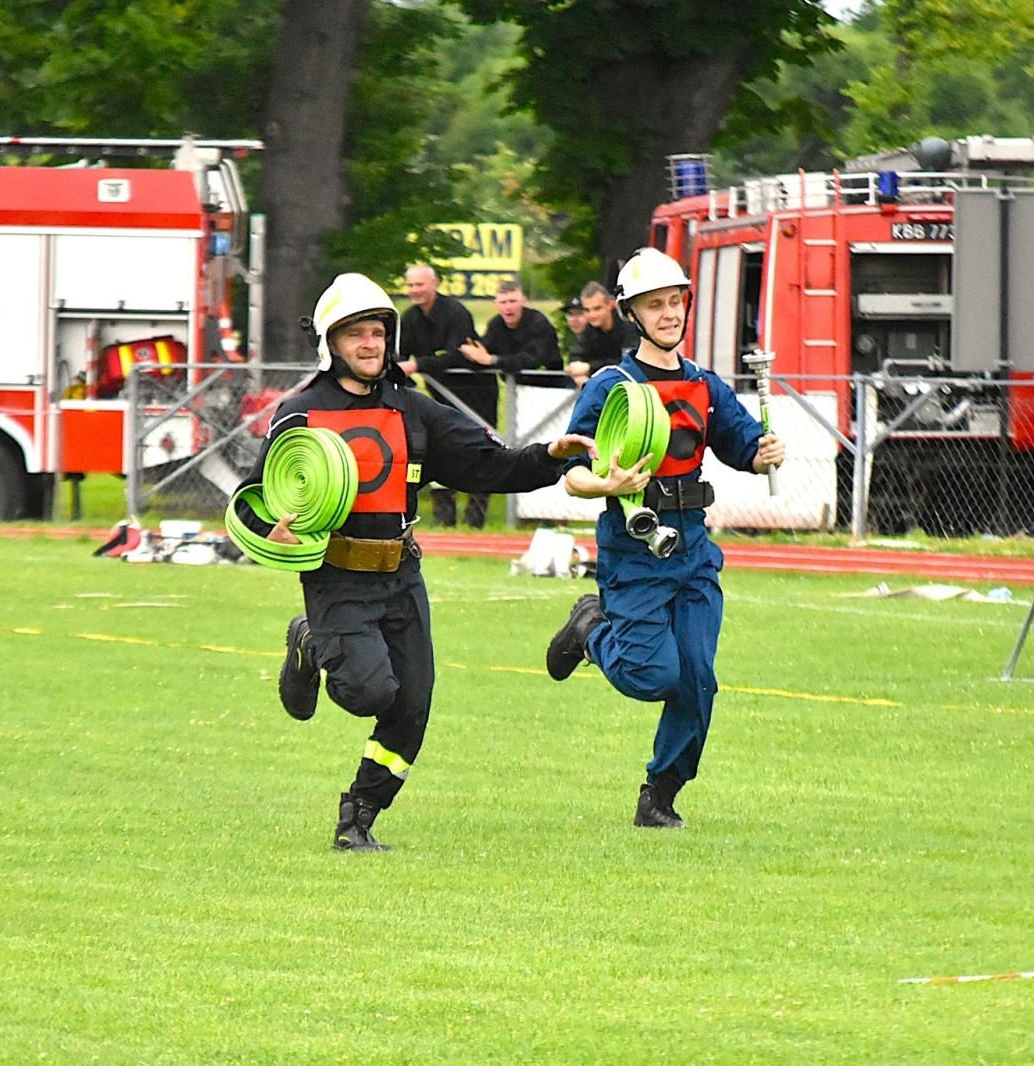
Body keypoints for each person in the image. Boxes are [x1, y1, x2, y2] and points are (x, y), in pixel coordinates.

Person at [232, 273, 594, 851]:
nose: (370, 344)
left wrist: (550, 455)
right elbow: (250, 501)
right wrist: (271, 528)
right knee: (368, 693)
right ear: (330, 341)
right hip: (336, 578)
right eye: (356, 334)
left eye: (378, 332)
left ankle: (359, 816)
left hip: (401, 575)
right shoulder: (296, 414)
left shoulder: (414, 410)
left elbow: (489, 465)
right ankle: (310, 641)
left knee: (412, 707)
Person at [544, 248, 784, 829]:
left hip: (693, 546)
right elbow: (571, 472)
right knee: (652, 675)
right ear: (632, 313)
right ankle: (589, 626)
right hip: (633, 544)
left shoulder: (704, 384)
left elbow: (741, 443)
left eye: (676, 302)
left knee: (698, 679)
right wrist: (606, 480)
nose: (669, 313)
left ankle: (661, 794)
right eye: (656, 304)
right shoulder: (611, 385)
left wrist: (762, 452)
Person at [395, 263, 495, 528]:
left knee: (478, 450)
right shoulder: (410, 318)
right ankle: (444, 518)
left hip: (477, 394)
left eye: (420, 284)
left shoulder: (456, 313)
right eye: (411, 285)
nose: (415, 290)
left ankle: (476, 520)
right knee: (439, 450)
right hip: (438, 394)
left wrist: (417, 366)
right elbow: (401, 355)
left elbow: (455, 355)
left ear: (435, 284)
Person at [460, 278, 562, 378]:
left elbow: (532, 360)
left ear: (523, 301)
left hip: (548, 384)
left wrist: (493, 360)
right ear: (496, 305)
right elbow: (486, 351)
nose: (508, 307)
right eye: (503, 302)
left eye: (513, 301)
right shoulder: (496, 324)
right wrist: (473, 354)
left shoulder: (538, 322)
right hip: (513, 385)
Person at [566, 281, 639, 388]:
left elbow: (627, 363)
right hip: (602, 384)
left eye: (597, 308)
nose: (592, 315)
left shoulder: (628, 326)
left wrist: (589, 367)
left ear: (610, 305)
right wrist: (576, 369)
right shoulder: (590, 328)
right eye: (587, 310)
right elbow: (577, 354)